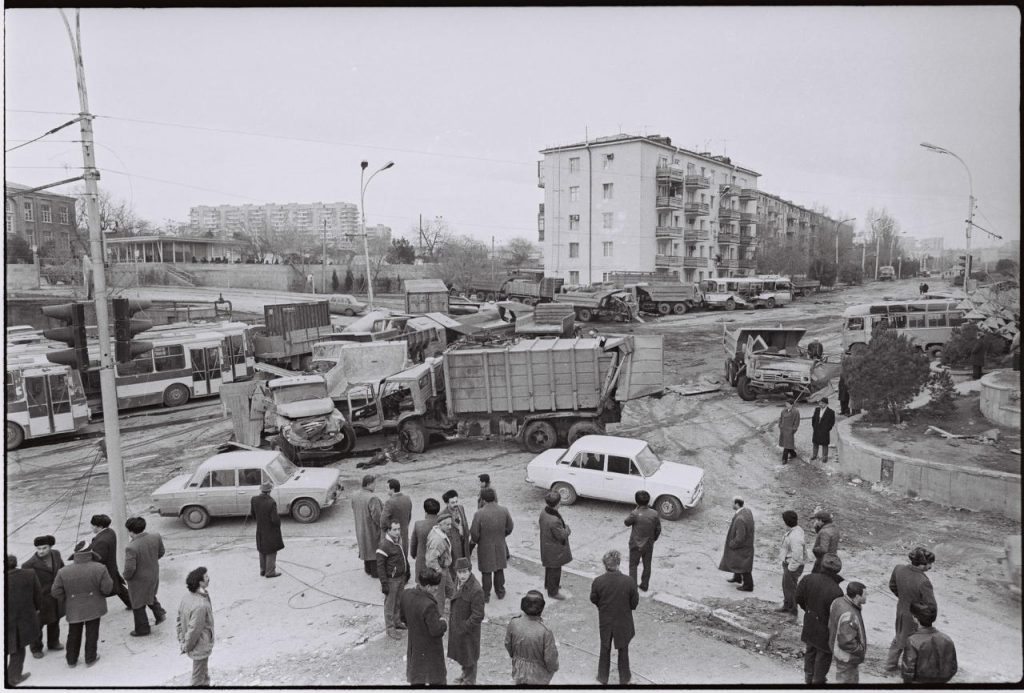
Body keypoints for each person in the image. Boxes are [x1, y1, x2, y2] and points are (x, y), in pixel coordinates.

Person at [51, 541, 113, 669]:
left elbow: (55, 591)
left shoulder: (63, 571)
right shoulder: (100, 568)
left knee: (73, 633)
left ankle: (71, 660)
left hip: (73, 607)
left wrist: (69, 599)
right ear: (90, 553)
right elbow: (107, 589)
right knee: (92, 631)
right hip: (94, 605)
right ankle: (90, 658)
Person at [589, 549, 639, 685]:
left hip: (606, 620)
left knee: (605, 647)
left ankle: (602, 677)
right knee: (623, 649)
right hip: (623, 621)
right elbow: (634, 603)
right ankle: (625, 678)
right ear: (619, 564)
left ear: (605, 565)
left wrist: (603, 607)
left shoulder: (598, 581)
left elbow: (593, 599)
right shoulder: (629, 581)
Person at [885, 547, 937, 673]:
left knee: (899, 637)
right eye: (929, 563)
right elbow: (932, 607)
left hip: (901, 610)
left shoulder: (899, 569)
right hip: (916, 616)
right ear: (922, 564)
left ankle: (890, 664)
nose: (931, 566)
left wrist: (904, 598)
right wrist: (926, 616)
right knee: (912, 643)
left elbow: (892, 586)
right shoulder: (924, 582)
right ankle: (907, 669)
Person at [795, 553, 844, 684]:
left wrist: (809, 610)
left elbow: (798, 598)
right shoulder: (837, 591)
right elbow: (836, 616)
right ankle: (818, 681)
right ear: (837, 570)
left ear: (822, 565)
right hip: (825, 630)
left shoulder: (808, 579)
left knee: (810, 651)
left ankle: (808, 679)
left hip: (810, 623)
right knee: (823, 657)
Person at [399, 567, 448, 686]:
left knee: (417, 677)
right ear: (427, 587)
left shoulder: (406, 594)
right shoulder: (429, 605)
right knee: (437, 679)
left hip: (415, 645)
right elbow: (436, 630)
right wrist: (443, 623)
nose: (437, 589)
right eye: (434, 587)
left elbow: (402, 618)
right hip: (431, 648)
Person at [123, 517, 167, 637]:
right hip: (153, 573)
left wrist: (126, 577)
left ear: (131, 531)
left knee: (137, 603)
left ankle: (142, 629)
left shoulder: (131, 547)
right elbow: (161, 552)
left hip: (138, 579)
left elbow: (130, 569)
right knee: (149, 594)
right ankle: (160, 614)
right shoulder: (155, 536)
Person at [469, 487, 514, 603]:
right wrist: (502, 535)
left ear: (483, 499)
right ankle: (500, 592)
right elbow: (510, 527)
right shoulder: (504, 510)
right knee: (499, 569)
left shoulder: (479, 513)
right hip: (500, 544)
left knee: (486, 572)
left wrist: (478, 540)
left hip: (484, 546)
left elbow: (474, 533)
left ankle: (486, 595)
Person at [505, 590, 559, 685]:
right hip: (538, 673)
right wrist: (553, 668)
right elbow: (550, 658)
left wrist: (516, 657)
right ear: (541, 608)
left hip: (518, 668)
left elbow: (508, 644)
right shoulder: (545, 631)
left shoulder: (514, 623)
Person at [23, 535, 65, 658]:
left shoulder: (56, 554)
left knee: (55, 619)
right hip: (40, 600)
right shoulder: (28, 565)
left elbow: (61, 570)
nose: (41, 551)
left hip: (55, 596)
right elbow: (27, 587)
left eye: (44, 548)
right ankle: (36, 648)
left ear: (50, 547)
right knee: (38, 624)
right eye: (38, 549)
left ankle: (53, 642)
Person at [447, 557, 485, 685]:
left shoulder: (476, 589)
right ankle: (465, 675)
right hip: (459, 627)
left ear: (470, 571)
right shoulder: (457, 581)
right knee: (463, 654)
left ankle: (469, 681)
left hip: (469, 631)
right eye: (459, 572)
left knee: (470, 656)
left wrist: (464, 627)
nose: (462, 575)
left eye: (465, 572)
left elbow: (478, 615)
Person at [901, 601, 958, 684]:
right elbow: (953, 666)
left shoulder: (912, 640)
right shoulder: (947, 639)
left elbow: (908, 669)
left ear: (915, 618)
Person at [5, 555, 41, 686]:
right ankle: (13, 677)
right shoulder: (29, 574)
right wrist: (36, 609)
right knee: (18, 649)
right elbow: (38, 595)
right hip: (24, 619)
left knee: (12, 647)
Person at [177, 566, 214, 687]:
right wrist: (186, 645)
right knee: (198, 679)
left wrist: (182, 640)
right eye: (206, 577)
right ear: (200, 582)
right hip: (200, 645)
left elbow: (179, 620)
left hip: (196, 644)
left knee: (203, 673)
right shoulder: (201, 605)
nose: (209, 579)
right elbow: (194, 630)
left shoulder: (187, 597)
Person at [86, 513, 133, 609]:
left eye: (93, 525)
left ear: (99, 526)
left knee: (98, 590)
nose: (91, 527)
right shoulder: (110, 532)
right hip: (111, 566)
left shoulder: (101, 541)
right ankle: (132, 603)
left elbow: (99, 559)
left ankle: (94, 610)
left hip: (105, 569)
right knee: (119, 587)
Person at [828, 581, 868, 684]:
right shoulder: (850, 614)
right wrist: (861, 650)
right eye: (865, 594)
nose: (867, 596)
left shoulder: (838, 601)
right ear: (858, 596)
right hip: (847, 658)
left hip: (837, 651)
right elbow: (846, 642)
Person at [377, 519, 409, 640]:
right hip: (391, 580)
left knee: (398, 601)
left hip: (400, 578)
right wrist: (384, 583)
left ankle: (397, 622)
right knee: (390, 605)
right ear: (388, 530)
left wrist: (407, 571)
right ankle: (390, 629)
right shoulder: (384, 545)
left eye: (399, 529)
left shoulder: (397, 541)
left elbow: (402, 557)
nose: (397, 532)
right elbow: (380, 566)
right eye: (394, 529)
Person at [624, 490, 661, 592]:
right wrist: (653, 540)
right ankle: (644, 585)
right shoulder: (654, 513)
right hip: (648, 544)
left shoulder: (635, 513)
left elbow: (626, 522)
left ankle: (632, 587)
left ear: (637, 501)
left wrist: (636, 510)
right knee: (647, 565)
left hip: (635, 544)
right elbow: (658, 529)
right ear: (648, 501)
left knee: (633, 565)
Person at [538, 490, 572, 600]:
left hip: (547, 545)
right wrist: (567, 529)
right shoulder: (554, 520)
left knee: (550, 568)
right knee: (555, 570)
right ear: (557, 503)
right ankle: (553, 592)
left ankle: (549, 585)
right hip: (554, 549)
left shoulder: (544, 512)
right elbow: (561, 536)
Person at [719, 496, 755, 592]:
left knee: (743, 565)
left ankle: (748, 585)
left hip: (741, 546)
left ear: (737, 504)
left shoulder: (740, 518)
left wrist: (732, 544)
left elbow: (740, 537)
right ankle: (737, 577)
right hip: (747, 544)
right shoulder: (747, 511)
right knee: (738, 562)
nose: (731, 505)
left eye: (732, 503)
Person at [775, 510, 805, 619]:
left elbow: (797, 556)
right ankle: (787, 606)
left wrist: (791, 569)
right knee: (786, 586)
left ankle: (793, 613)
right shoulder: (796, 530)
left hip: (792, 565)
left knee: (791, 589)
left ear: (786, 522)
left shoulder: (795, 536)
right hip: (789, 563)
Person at [352, 474, 384, 578]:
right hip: (371, 529)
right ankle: (375, 573)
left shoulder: (355, 495)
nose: (375, 486)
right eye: (374, 484)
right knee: (374, 549)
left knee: (365, 548)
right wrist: (383, 526)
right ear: (369, 484)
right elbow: (378, 516)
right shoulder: (372, 498)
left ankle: (367, 569)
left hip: (360, 527)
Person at [250, 482, 284, 578]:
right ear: (269, 491)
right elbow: (275, 519)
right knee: (271, 550)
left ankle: (263, 570)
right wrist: (278, 525)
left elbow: (253, 514)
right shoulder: (271, 502)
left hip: (260, 528)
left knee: (262, 548)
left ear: (261, 490)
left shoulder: (254, 499)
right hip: (270, 529)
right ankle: (270, 572)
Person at [425, 512, 455, 613]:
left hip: (444, 568)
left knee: (451, 590)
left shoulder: (438, 531)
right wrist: (439, 571)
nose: (450, 527)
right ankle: (439, 616)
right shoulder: (438, 540)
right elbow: (431, 560)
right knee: (439, 596)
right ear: (440, 524)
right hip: (439, 570)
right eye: (447, 524)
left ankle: (455, 609)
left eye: (451, 524)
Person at [380, 478, 413, 558]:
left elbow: (383, 520)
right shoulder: (407, 498)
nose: (386, 490)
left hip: (393, 533)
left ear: (392, 489)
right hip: (404, 531)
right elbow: (409, 516)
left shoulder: (389, 502)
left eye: (387, 488)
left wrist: (387, 529)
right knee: (403, 555)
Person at [411, 498, 440, 582]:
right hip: (438, 562)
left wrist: (413, 555)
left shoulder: (418, 524)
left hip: (422, 561)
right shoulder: (443, 524)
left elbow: (413, 544)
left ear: (425, 510)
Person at [441, 489, 472, 571]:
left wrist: (467, 534)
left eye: (456, 501)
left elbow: (465, 522)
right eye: (453, 503)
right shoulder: (442, 515)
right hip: (454, 548)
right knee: (455, 570)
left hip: (464, 544)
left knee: (466, 567)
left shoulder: (461, 508)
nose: (456, 504)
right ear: (447, 503)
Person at [810, 510, 840, 574]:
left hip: (823, 562)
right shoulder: (834, 528)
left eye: (816, 520)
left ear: (821, 521)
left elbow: (823, 549)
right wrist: (817, 528)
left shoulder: (824, 531)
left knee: (814, 580)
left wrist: (814, 549)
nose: (815, 522)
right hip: (832, 560)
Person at [809, 398, 836, 463]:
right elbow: (813, 419)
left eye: (822, 403)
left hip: (824, 431)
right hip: (816, 429)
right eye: (820, 403)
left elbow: (832, 422)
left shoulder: (831, 412)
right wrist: (814, 426)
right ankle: (814, 455)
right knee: (815, 443)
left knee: (825, 444)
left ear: (826, 404)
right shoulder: (817, 409)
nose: (820, 404)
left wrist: (827, 429)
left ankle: (824, 457)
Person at [778, 399, 801, 463]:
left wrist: (794, 429)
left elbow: (797, 421)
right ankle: (793, 454)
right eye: (786, 404)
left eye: (788, 404)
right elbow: (780, 418)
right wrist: (780, 425)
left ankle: (784, 459)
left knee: (787, 444)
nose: (786, 405)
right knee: (788, 444)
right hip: (783, 430)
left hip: (790, 430)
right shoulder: (783, 411)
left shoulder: (796, 411)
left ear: (792, 405)